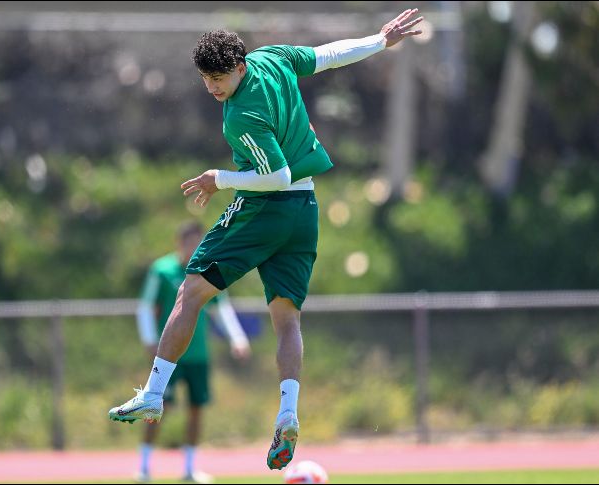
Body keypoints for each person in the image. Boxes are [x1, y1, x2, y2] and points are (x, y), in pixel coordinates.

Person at [110, 8, 424, 471]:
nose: (213, 88)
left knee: (191, 289)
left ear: (239, 67)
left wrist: (220, 178)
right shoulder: (273, 58)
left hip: (269, 209)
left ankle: (154, 393)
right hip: (306, 210)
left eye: (219, 78)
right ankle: (288, 413)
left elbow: (274, 176)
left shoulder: (240, 116)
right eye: (206, 80)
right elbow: (327, 55)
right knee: (286, 320)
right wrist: (379, 41)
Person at [132, 221, 251, 483]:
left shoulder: (209, 270)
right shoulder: (162, 270)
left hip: (198, 356)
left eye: (200, 241)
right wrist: (150, 340)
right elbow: (145, 308)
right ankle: (144, 465)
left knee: (197, 409)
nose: (195, 247)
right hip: (169, 357)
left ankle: (188, 468)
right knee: (158, 407)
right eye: (190, 242)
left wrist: (237, 339)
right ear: (180, 242)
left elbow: (221, 307)